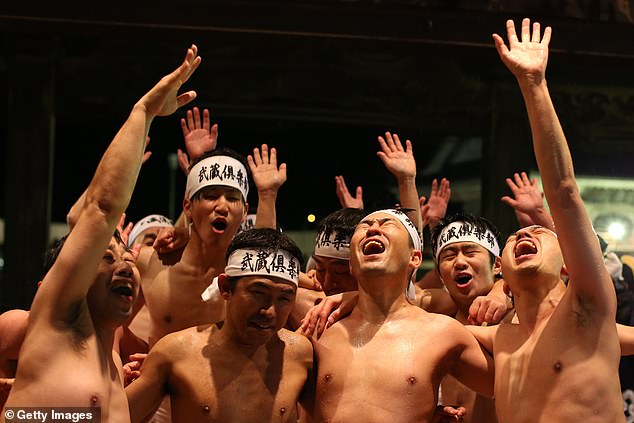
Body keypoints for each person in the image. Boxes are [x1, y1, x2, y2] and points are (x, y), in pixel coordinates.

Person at [0, 45, 201, 422]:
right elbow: (96, 211)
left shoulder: (112, 360)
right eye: (107, 258)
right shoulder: (55, 321)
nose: (126, 266)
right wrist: (144, 113)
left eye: (128, 259)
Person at [467, 18, 625, 422]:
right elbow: (400, 321)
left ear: (569, 264)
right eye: (517, 234)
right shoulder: (495, 338)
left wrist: (533, 84)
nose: (527, 233)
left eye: (539, 230)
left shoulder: (588, 306)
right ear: (500, 269)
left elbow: (564, 193)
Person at [311, 208, 494, 422]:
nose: (373, 229)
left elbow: (517, 387)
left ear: (414, 258)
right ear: (352, 264)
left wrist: (503, 289)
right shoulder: (321, 324)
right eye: (365, 226)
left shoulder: (442, 332)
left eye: (387, 223)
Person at [126, 228, 313, 423]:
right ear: (225, 288)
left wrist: (348, 297)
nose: (270, 312)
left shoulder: (301, 354)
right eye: (258, 293)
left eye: (284, 298)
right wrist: (106, 389)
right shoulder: (176, 353)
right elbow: (100, 418)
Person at [431, 213, 512, 423]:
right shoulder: (432, 322)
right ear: (440, 275)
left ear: (497, 265)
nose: (459, 262)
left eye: (470, 252)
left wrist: (502, 291)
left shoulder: (522, 316)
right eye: (449, 256)